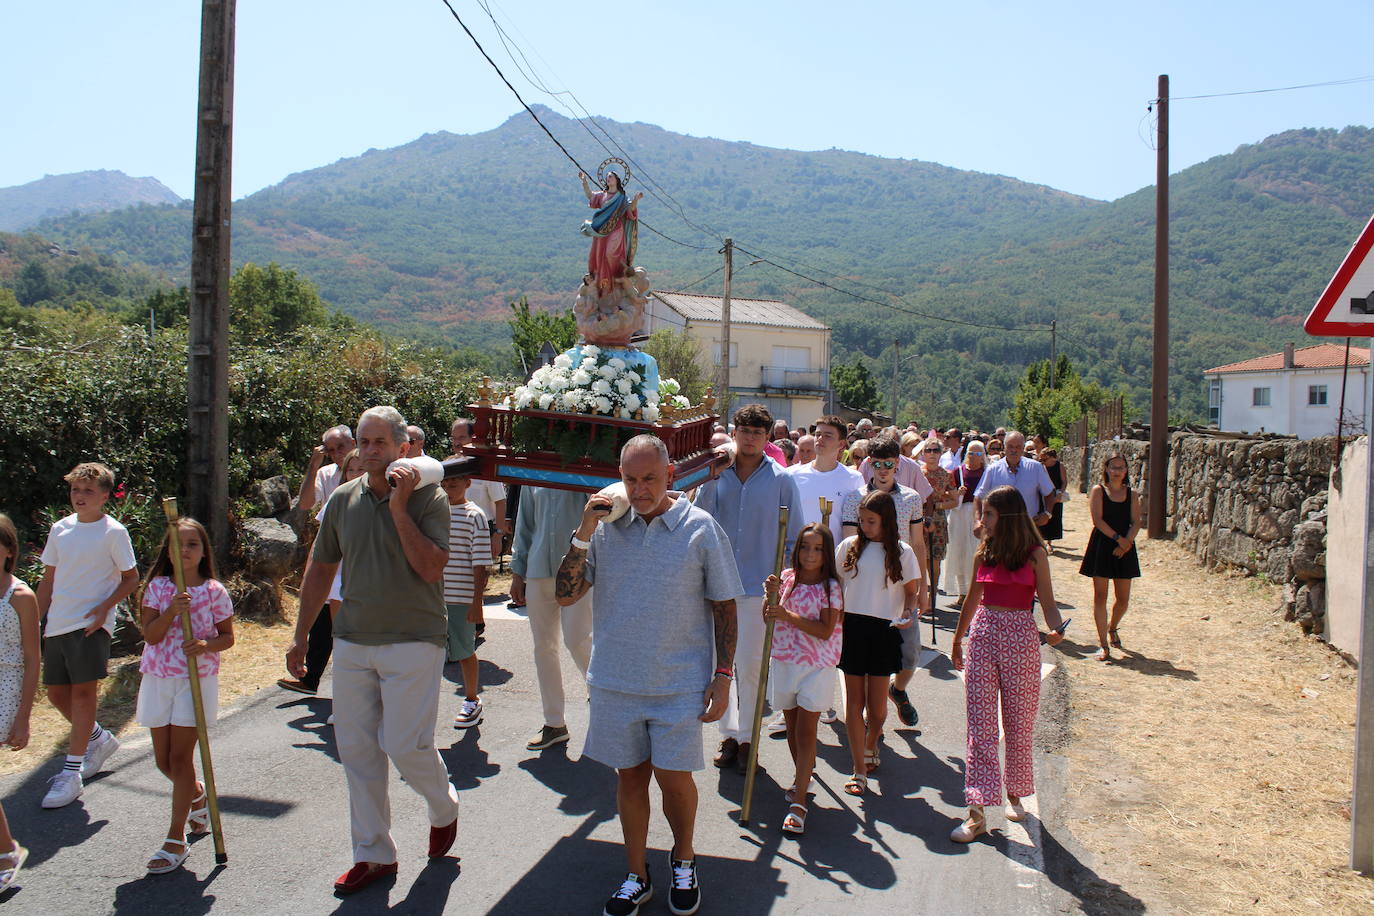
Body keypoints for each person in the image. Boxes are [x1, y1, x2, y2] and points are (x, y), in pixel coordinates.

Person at [555, 435, 743, 916]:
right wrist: (584, 528)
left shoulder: (701, 528)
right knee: (631, 780)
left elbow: (725, 606)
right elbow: (565, 594)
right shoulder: (603, 530)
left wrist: (723, 676)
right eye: (630, 479)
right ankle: (636, 874)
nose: (639, 490)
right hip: (615, 681)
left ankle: (684, 858)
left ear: (670, 476)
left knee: (675, 781)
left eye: (649, 479)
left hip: (678, 684)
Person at [287, 406, 460, 895]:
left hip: (414, 639)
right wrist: (301, 635)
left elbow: (431, 568)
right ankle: (373, 854)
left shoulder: (430, 498)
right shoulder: (343, 499)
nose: (368, 451)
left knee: (405, 745)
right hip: (353, 640)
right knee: (357, 749)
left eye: (379, 442)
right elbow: (321, 569)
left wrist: (400, 508)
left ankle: (443, 805)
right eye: (363, 442)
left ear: (403, 448)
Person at [949, 486, 1065, 842]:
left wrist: (1056, 629)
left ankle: (1015, 793)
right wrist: (957, 639)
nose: (982, 520)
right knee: (980, 726)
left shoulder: (1035, 555)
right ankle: (977, 812)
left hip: (1021, 639)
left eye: (988, 514)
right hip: (983, 635)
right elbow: (972, 599)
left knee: (1018, 723)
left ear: (1008, 516)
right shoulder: (984, 552)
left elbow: (1048, 602)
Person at [695, 404, 802, 774]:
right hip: (717, 584)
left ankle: (748, 739)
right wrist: (713, 475)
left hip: (759, 586)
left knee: (752, 667)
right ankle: (728, 735)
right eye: (745, 430)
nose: (751, 437)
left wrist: (785, 584)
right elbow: (699, 520)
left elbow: (794, 537)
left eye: (758, 432)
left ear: (768, 436)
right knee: (719, 665)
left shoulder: (782, 479)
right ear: (735, 432)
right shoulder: (716, 473)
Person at [36, 462, 139, 808]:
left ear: (105, 496)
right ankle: (99, 738)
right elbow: (48, 580)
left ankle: (71, 773)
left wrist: (103, 609)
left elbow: (131, 578)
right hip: (58, 623)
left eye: (88, 491)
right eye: (75, 490)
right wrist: (34, 620)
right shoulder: (60, 529)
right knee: (56, 694)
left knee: (83, 696)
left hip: (91, 626)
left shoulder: (114, 532)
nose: (80, 496)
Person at [137, 516, 235, 873]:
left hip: (196, 680)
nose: (185, 551)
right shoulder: (158, 587)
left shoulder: (214, 591)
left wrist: (206, 645)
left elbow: (227, 637)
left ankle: (175, 838)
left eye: (193, 544)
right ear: (168, 551)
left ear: (204, 550)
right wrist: (171, 612)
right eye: (178, 545)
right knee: (163, 762)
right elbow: (150, 635)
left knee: (180, 760)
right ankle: (196, 794)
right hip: (158, 677)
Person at [835, 491, 919, 796]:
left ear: (886, 521)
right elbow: (835, 582)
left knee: (878, 707)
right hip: (852, 628)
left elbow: (911, 591)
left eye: (871, 521)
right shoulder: (848, 546)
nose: (865, 526)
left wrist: (908, 612)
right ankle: (858, 768)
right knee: (853, 703)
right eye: (862, 520)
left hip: (885, 629)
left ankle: (872, 743)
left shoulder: (902, 552)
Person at [842, 434, 928, 728]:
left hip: (903, 586)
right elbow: (849, 545)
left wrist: (923, 589)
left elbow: (918, 544)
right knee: (868, 661)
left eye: (888, 464)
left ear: (898, 464)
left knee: (910, 655)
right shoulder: (855, 498)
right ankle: (870, 719)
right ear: (869, 463)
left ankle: (898, 690)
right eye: (877, 464)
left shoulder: (911, 498)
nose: (882, 470)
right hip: (867, 590)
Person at [762, 524, 842, 835]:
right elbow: (768, 617)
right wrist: (769, 596)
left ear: (826, 553)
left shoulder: (830, 587)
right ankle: (802, 777)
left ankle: (799, 803)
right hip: (785, 660)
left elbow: (825, 630)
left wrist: (788, 615)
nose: (810, 554)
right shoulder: (786, 578)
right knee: (793, 729)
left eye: (818, 549)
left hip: (816, 666)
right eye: (806, 547)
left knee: (807, 732)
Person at [510, 486, 594, 751]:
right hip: (538, 568)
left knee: (577, 639)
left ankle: (603, 695)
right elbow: (525, 523)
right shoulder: (533, 477)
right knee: (544, 648)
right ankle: (554, 723)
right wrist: (517, 572)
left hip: (578, 569)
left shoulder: (581, 470)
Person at [280, 448, 364, 700]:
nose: (356, 474)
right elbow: (319, 547)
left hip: (365, 582)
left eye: (361, 469)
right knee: (341, 641)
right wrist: (309, 575)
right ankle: (345, 698)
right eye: (351, 469)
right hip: (336, 578)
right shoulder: (336, 502)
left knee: (357, 642)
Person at [0, 515, 38, 889]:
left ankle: (7, 851)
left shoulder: (21, 597)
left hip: (7, 685)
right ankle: (6, 848)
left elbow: (32, 658)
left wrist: (24, 717)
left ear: (9, 551)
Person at [1078, 453, 1142, 662]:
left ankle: (1112, 627)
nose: (1117, 471)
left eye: (1121, 467)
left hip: (1125, 546)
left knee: (1123, 599)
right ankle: (1103, 644)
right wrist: (1118, 539)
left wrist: (1126, 543)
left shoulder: (1132, 494)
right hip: (1103, 545)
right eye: (1113, 467)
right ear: (1106, 469)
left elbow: (1136, 521)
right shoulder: (1099, 491)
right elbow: (1097, 520)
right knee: (1100, 596)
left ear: (1126, 470)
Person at [439, 472, 490, 729]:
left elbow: (481, 563)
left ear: (467, 484)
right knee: (430, 653)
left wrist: (476, 603)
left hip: (461, 597)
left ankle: (472, 699)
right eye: (445, 484)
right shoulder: (434, 512)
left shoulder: (475, 515)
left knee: (464, 650)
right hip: (433, 596)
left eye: (454, 484)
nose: (448, 489)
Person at [451, 419, 509, 568]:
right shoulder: (448, 466)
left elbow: (500, 501)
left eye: (461, 437)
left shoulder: (486, 468)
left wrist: (497, 535)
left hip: (482, 531)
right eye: (454, 438)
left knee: (478, 575)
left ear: (473, 438)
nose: (457, 443)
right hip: (453, 528)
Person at [973, 431, 1054, 537]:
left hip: (1028, 529)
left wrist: (1047, 513)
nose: (1014, 450)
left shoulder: (1036, 468)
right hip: (999, 530)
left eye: (1018, 447)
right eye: (1010, 446)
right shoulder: (992, 470)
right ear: (1004, 447)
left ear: (1023, 448)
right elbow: (978, 497)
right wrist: (978, 521)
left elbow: (1049, 493)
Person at [579, 170, 643, 294]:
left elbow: (630, 210)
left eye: (611, 177)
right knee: (600, 256)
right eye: (607, 177)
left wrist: (636, 199)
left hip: (616, 229)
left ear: (617, 180)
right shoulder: (602, 195)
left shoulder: (622, 198)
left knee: (610, 254)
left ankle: (615, 280)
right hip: (601, 231)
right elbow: (590, 196)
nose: (608, 179)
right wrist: (584, 181)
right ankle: (603, 285)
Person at [917, 436, 958, 606]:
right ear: (923, 453)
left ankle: (932, 597)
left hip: (938, 522)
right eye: (928, 450)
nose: (932, 454)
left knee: (934, 563)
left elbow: (955, 501)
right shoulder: (918, 472)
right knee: (919, 561)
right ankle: (919, 597)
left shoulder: (947, 475)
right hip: (918, 521)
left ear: (941, 453)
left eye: (936, 450)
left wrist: (937, 506)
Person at [944, 440, 986, 604]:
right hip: (959, 515)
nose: (974, 456)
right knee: (959, 552)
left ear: (983, 456)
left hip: (979, 515)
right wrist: (957, 493)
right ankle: (962, 592)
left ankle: (978, 592)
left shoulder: (987, 472)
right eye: (971, 453)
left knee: (976, 552)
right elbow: (947, 493)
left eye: (977, 453)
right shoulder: (958, 472)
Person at [298, 424, 355, 514]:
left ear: (353, 443)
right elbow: (305, 504)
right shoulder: (325, 474)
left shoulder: (370, 470)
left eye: (340, 447)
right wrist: (313, 467)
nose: (337, 454)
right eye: (331, 450)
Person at [1037, 448, 1066, 547]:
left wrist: (1060, 492)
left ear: (1052, 458)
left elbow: (1064, 481)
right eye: (1041, 459)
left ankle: (1049, 542)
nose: (1042, 462)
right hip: (1042, 494)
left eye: (1045, 459)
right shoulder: (1040, 466)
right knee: (1041, 516)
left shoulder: (1059, 466)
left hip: (1055, 495)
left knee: (1054, 517)